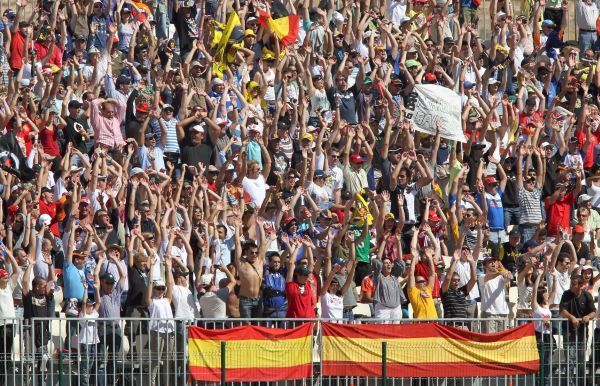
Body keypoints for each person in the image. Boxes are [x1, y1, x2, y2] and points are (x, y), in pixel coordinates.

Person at [559, 274, 597, 386]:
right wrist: (572, 317)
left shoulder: (587, 295)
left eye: (574, 284)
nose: (571, 286)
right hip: (568, 331)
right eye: (571, 283)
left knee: (581, 360)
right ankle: (569, 383)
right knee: (570, 359)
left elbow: (593, 311)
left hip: (582, 332)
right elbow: (562, 310)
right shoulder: (566, 294)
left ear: (581, 285)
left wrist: (588, 317)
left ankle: (581, 383)